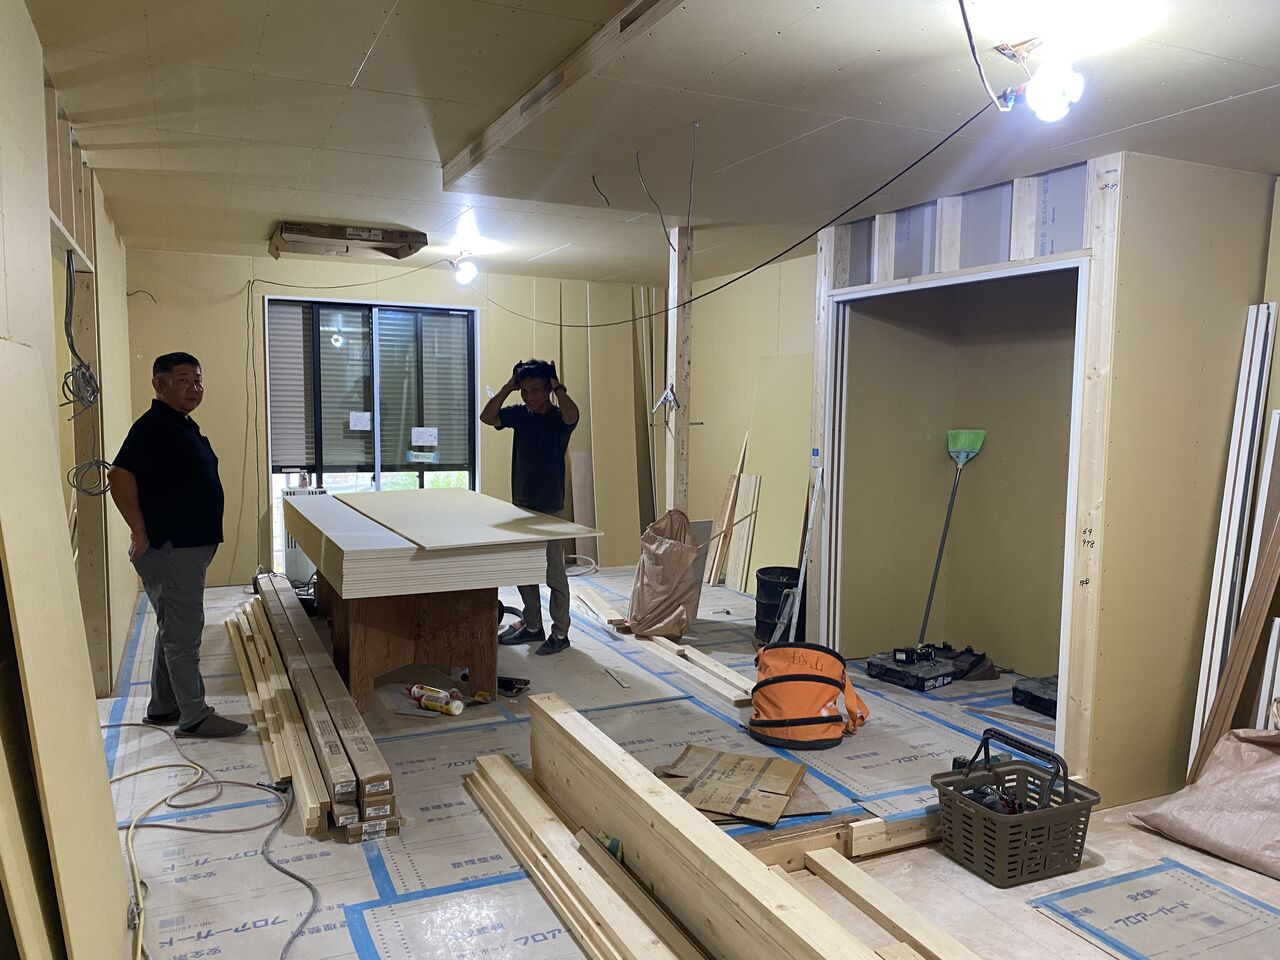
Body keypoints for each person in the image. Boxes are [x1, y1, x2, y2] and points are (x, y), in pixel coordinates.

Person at [108, 353, 246, 738]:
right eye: (183, 380)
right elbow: (118, 476)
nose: (194, 388)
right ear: (159, 384)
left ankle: (163, 706)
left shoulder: (179, 424)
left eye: (198, 380)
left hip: (186, 546)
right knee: (184, 633)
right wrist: (138, 531)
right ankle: (195, 716)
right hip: (173, 548)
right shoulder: (153, 427)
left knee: (172, 626)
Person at [480, 358, 579, 655]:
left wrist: (559, 387)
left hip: (550, 506)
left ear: (547, 389)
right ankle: (533, 626)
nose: (529, 397)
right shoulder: (519, 415)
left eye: (535, 390)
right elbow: (487, 416)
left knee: (554, 572)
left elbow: (573, 415)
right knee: (524, 568)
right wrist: (508, 387)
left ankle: (560, 633)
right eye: (524, 391)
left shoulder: (559, 418)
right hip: (522, 505)